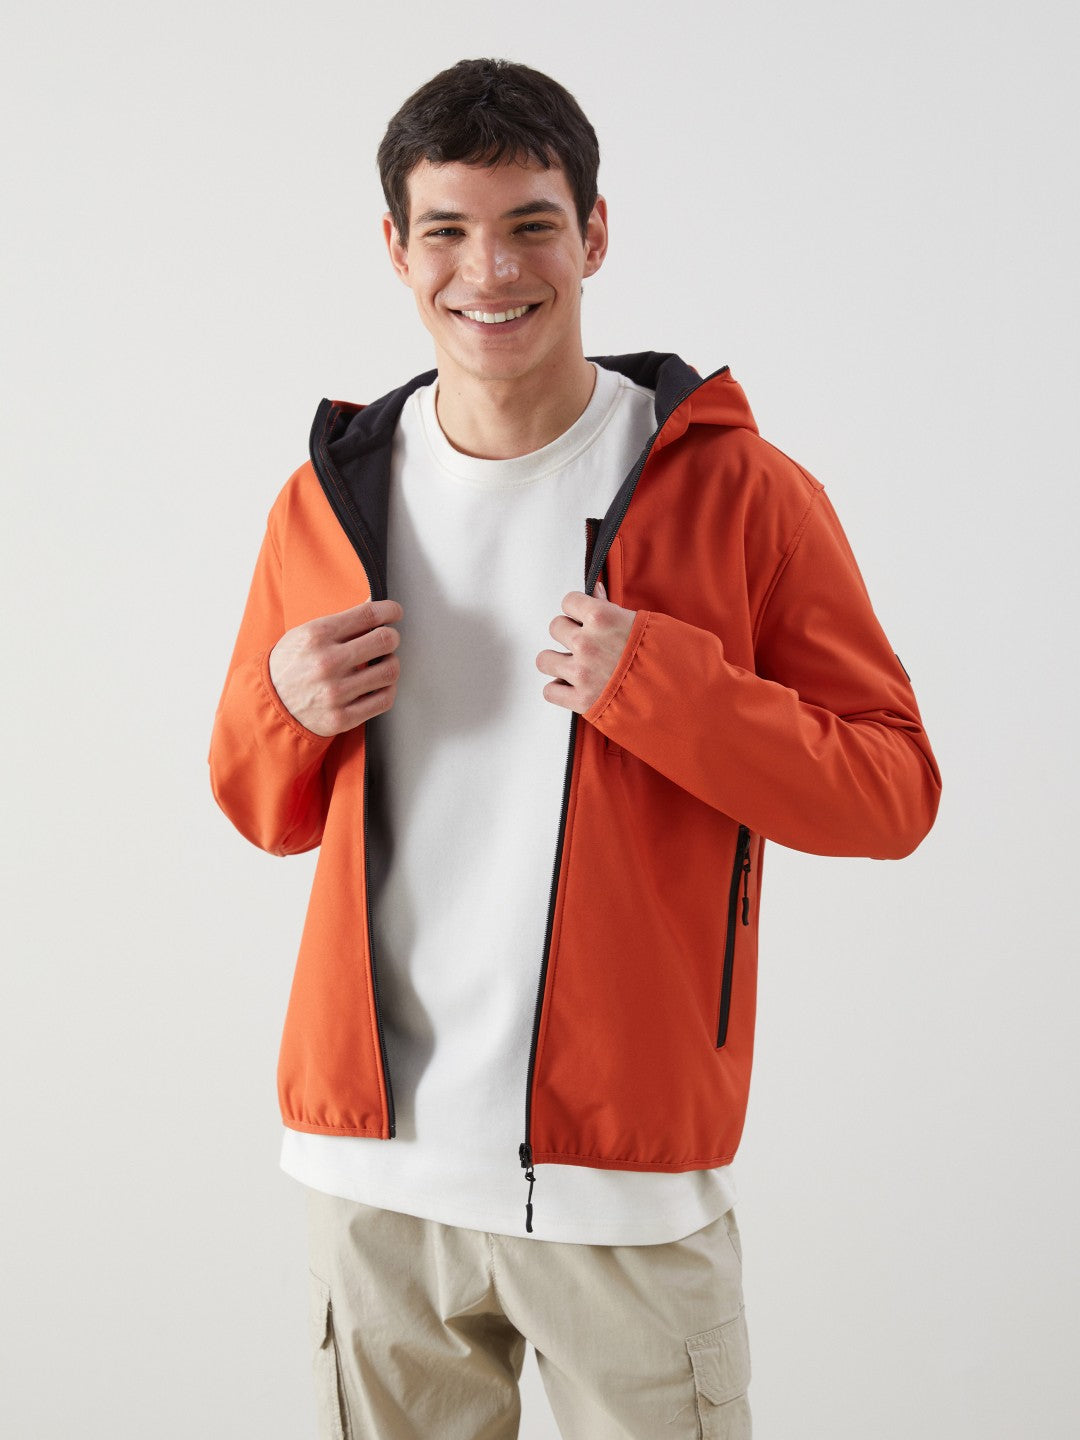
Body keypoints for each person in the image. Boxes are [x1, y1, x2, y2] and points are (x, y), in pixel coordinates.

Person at [209, 56, 940, 1440]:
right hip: (375, 1186)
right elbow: (260, 807)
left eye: (531, 225)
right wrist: (282, 708)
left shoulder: (740, 490)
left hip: (625, 1193)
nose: (490, 270)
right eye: (446, 230)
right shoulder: (326, 500)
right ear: (396, 250)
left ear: (594, 234)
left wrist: (668, 688)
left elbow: (894, 789)